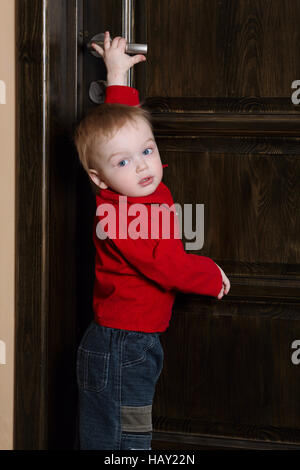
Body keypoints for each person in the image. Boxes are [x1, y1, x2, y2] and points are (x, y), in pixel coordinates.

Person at [74, 31, 230, 450]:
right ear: (99, 179)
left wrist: (116, 73)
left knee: (119, 432)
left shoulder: (131, 186)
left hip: (129, 341)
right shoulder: (121, 215)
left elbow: (121, 130)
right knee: (124, 440)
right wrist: (211, 275)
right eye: (125, 162)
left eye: (148, 151)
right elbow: (167, 264)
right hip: (123, 347)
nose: (143, 166)